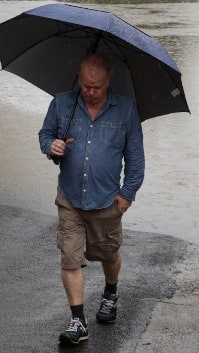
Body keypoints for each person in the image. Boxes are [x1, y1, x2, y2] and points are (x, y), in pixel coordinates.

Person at [38, 52, 145, 345]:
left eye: (96, 86)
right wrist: (52, 146)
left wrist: (127, 195)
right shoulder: (62, 103)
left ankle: (111, 291)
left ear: (108, 82)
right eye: (85, 85)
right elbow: (45, 134)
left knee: (108, 254)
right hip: (70, 199)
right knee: (70, 258)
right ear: (80, 79)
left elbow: (136, 159)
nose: (90, 91)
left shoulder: (126, 110)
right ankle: (78, 320)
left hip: (108, 201)